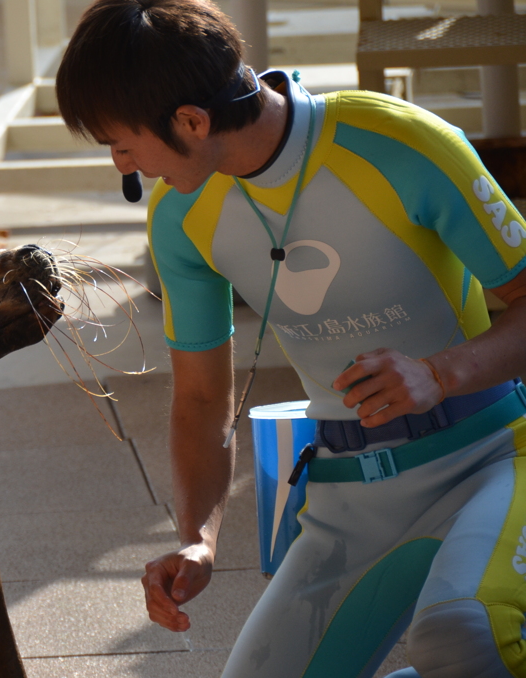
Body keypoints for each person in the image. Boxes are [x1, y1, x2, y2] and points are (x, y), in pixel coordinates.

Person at [55, 1, 526, 676]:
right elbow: (199, 401)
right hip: (348, 497)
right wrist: (198, 541)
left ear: (191, 121)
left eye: (122, 144)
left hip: (496, 459)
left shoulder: (399, 142)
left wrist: (442, 373)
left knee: (463, 637)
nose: (123, 165)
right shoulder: (180, 217)